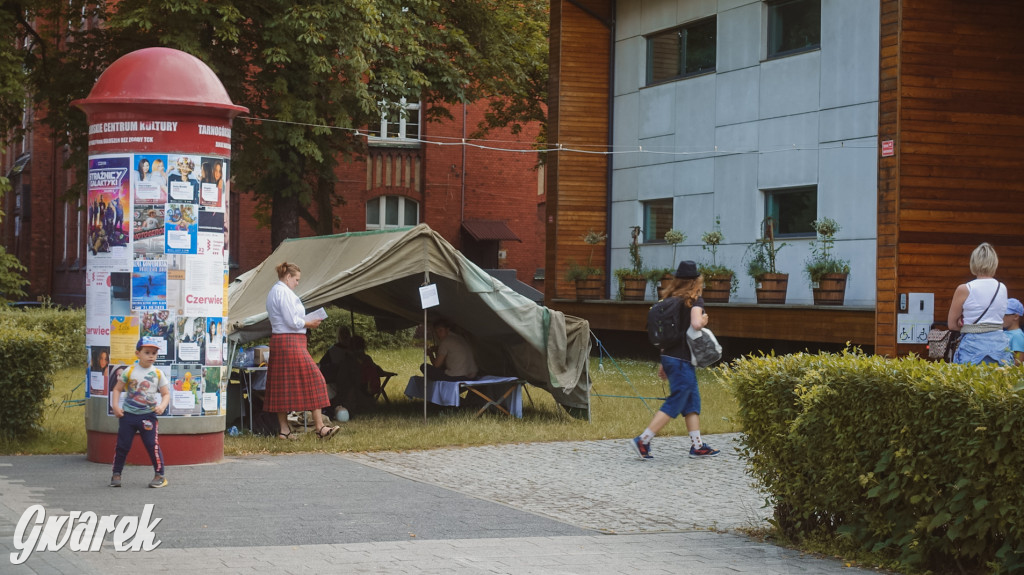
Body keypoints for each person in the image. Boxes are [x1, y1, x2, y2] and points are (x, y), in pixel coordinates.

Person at [630, 260, 719, 460]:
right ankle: (643, 440)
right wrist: (704, 320)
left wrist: (664, 361)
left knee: (691, 402)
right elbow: (696, 323)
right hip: (682, 361)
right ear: (697, 281)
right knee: (676, 401)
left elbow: (669, 335)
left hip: (672, 358)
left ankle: (697, 446)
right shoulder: (694, 300)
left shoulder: (671, 300)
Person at [265, 261, 339, 440]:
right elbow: (292, 321)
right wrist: (309, 322)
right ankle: (320, 428)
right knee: (316, 379)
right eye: (296, 279)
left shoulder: (277, 291)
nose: (297, 283)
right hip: (289, 341)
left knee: (281, 385)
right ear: (288, 276)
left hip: (284, 341)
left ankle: (284, 431)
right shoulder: (282, 292)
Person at [109, 338, 170, 488]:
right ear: (137, 353)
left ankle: (160, 475)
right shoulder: (129, 371)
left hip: (148, 416)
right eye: (147, 352)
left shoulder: (157, 373)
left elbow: (166, 394)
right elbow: (117, 389)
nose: (151, 356)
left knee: (152, 445)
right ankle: (116, 474)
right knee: (122, 445)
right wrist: (115, 406)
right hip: (128, 416)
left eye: (154, 353)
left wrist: (162, 406)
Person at [946, 242, 1012, 365]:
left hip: (972, 345)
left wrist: (965, 324)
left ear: (973, 262)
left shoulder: (964, 289)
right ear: (995, 263)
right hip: (999, 343)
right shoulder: (1002, 288)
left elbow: (952, 325)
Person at [1003, 297, 1024, 366]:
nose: (1001, 317)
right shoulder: (1004, 331)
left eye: (1005, 314)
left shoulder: (1017, 335)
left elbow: (1018, 361)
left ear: (1016, 317)